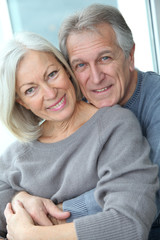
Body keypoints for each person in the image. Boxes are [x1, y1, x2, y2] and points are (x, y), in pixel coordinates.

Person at [12, 3, 160, 239]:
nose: (95, 77)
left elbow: (147, 198)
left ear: (129, 56)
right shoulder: (66, 107)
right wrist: (21, 200)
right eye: (80, 65)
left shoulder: (146, 108)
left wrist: (51, 215)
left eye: (104, 58)